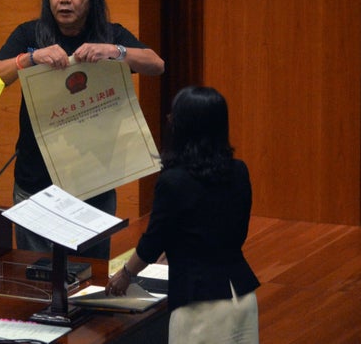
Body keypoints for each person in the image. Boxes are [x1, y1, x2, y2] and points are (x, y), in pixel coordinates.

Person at [0, 0, 164, 259]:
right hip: (36, 177)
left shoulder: (109, 35)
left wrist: (115, 51)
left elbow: (156, 65)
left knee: (89, 275)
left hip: (93, 177)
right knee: (38, 275)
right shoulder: (29, 34)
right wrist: (29, 59)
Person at [105, 86, 260, 343]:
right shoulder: (239, 171)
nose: (168, 119)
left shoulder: (173, 181)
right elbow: (231, 231)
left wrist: (125, 275)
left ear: (185, 127)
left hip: (201, 305)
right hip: (241, 294)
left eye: (174, 115)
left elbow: (153, 242)